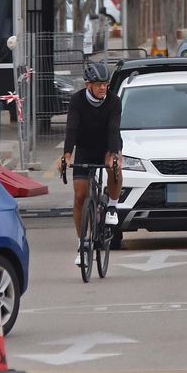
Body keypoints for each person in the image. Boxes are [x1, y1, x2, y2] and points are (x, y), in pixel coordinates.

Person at [58, 61, 123, 265]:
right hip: (85, 147)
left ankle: (112, 207)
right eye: (98, 84)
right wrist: (67, 155)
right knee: (79, 195)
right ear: (88, 85)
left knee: (114, 166)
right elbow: (71, 129)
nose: (103, 87)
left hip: (107, 144)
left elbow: (113, 129)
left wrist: (113, 154)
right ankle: (82, 243)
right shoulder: (77, 101)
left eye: (105, 84)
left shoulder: (114, 101)